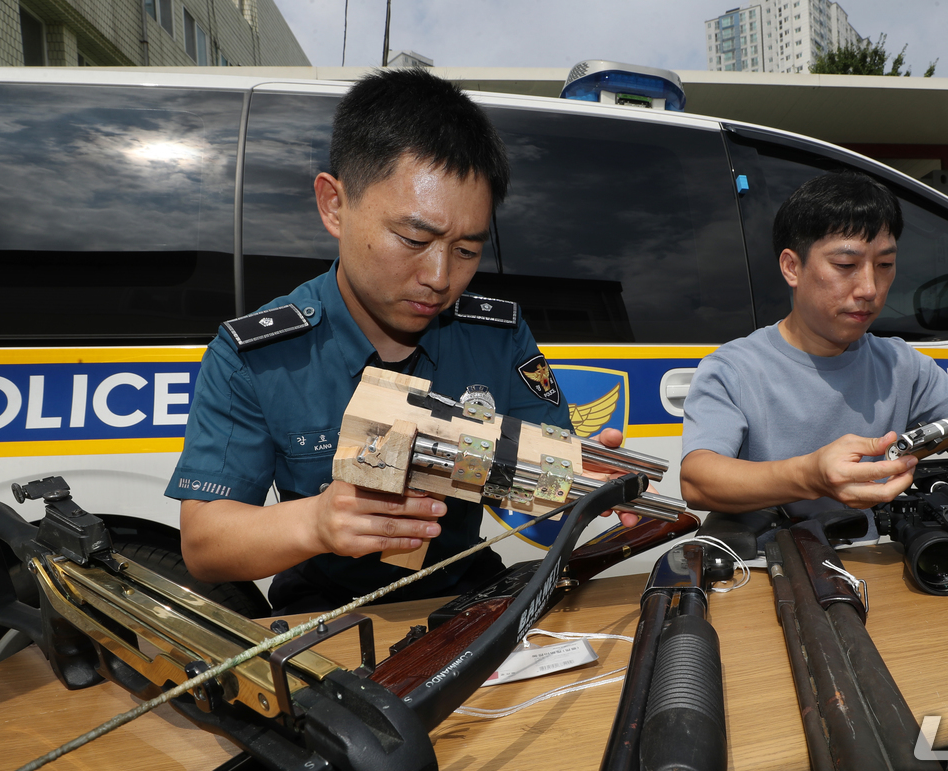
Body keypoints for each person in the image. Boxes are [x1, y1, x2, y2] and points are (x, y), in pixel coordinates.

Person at [167, 69, 622, 614]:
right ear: (334, 205)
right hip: (327, 615)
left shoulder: (496, 335)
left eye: (467, 251)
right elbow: (203, 545)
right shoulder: (256, 356)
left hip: (469, 597)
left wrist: (589, 485)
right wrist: (316, 521)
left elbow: (542, 475)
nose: (438, 277)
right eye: (414, 238)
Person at [679, 171, 948, 523]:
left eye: (885, 264)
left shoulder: (902, 366)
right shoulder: (733, 368)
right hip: (765, 572)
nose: (870, 289)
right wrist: (808, 476)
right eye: (845, 264)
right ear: (792, 267)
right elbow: (697, 480)